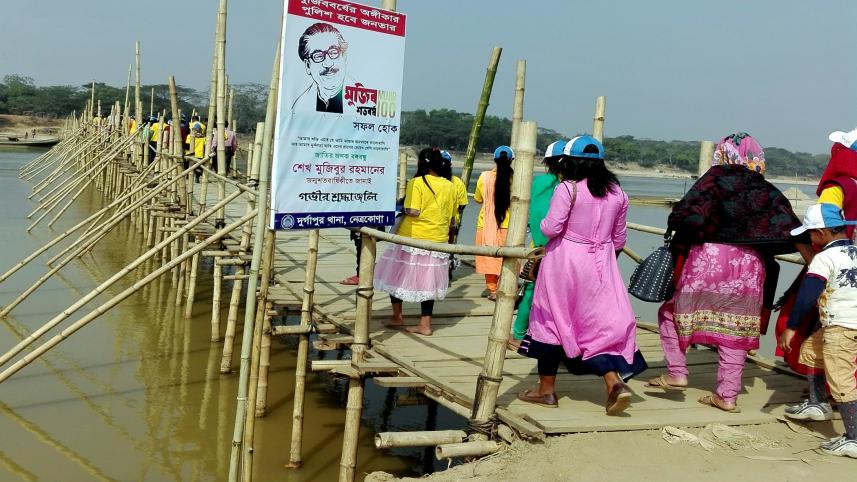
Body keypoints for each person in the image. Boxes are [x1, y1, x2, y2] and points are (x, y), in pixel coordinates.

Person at [647, 133, 811, 413]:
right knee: (735, 329)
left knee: (671, 314)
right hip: (747, 267)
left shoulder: (712, 181)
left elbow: (683, 217)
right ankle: (727, 395)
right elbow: (791, 228)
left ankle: (676, 372)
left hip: (707, 261)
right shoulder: (765, 190)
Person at [517, 135, 647, 414]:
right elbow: (620, 238)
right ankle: (613, 382)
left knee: (551, 321)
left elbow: (551, 228)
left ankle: (546, 390)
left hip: (565, 262)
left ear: (569, 161)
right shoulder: (618, 194)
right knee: (593, 325)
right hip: (602, 264)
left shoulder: (568, 189)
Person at [778, 204, 857, 458]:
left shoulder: (824, 258)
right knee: (811, 351)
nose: (810, 239)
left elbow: (807, 295)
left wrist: (791, 327)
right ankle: (817, 404)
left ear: (821, 233)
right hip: (848, 323)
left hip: (840, 326)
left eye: (811, 233)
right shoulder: (855, 251)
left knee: (841, 380)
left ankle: (854, 438)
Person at [775, 128, 857, 374]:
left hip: (835, 265)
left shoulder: (839, 186)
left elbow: (823, 225)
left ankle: (823, 392)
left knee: (815, 325)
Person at [374, 148, 456, 336]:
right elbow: (452, 217)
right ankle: (425, 324)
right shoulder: (449, 185)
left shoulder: (417, 182)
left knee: (394, 274)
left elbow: (413, 210)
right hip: (437, 239)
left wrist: (400, 210)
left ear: (421, 164)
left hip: (413, 236)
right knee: (428, 283)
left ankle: (397, 316)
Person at [509, 140, 565, 350]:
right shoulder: (571, 186)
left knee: (531, 290)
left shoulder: (539, 183)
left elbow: (533, 213)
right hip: (563, 249)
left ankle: (519, 334)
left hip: (538, 245)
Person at [474, 146, 514, 301]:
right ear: (511, 160)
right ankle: (508, 286)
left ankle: (493, 289)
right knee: (509, 258)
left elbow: (478, 199)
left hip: (486, 224)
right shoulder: (515, 179)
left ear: (495, 159)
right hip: (509, 224)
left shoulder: (484, 177)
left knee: (489, 258)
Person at [292, 22, 349, 114]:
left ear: (344, 57)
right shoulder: (298, 107)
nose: (328, 63)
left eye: (333, 53)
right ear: (308, 66)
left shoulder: (365, 100)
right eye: (318, 56)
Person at [439, 150, 468, 279]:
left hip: (431, 222)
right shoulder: (457, 182)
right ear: (450, 164)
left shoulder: (428, 180)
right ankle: (447, 271)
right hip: (451, 222)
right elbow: (462, 205)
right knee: (449, 248)